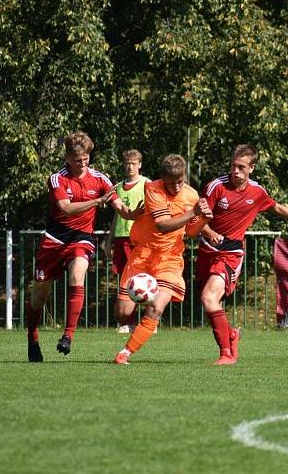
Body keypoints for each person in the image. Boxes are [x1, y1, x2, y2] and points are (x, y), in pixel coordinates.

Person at [197, 145, 288, 365]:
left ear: (252, 168)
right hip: (207, 249)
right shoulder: (216, 187)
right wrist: (210, 232)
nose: (235, 171)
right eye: (233, 166)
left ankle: (227, 354)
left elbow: (278, 208)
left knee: (209, 298)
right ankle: (232, 335)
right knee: (211, 302)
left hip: (230, 252)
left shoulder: (257, 192)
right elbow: (197, 218)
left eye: (241, 167)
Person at [26, 131, 143, 363]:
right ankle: (32, 338)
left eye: (86, 158)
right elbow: (65, 208)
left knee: (77, 276)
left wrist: (136, 213)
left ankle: (68, 336)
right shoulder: (57, 179)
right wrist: (97, 202)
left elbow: (121, 208)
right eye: (78, 159)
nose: (83, 163)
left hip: (82, 237)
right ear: (67, 157)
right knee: (39, 296)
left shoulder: (100, 179)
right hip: (54, 238)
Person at [113, 154, 213, 365]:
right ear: (162, 178)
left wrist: (203, 218)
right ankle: (142, 303)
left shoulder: (191, 195)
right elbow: (162, 225)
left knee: (156, 308)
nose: (176, 187)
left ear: (184, 176)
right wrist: (193, 212)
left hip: (170, 258)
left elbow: (192, 232)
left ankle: (125, 353)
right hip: (144, 253)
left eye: (180, 181)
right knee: (123, 313)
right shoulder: (153, 189)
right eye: (171, 183)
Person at [102, 149, 150, 333]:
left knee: (144, 280)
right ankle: (127, 322)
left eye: (134, 163)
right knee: (124, 281)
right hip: (121, 240)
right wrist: (109, 239)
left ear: (140, 164)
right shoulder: (118, 187)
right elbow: (116, 215)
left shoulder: (147, 184)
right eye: (127, 163)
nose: (130, 166)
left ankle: (148, 321)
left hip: (140, 239)